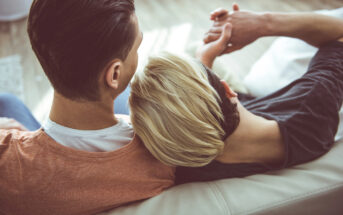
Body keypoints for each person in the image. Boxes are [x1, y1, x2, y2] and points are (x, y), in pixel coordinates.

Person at [129, 5, 343, 185]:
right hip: (288, 94)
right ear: (229, 90)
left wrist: (203, 59)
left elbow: (188, 121)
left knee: (196, 49)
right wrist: (263, 23)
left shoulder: (193, 160)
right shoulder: (312, 106)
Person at [0, 0, 175, 214]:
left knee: (5, 102)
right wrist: (205, 62)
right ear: (115, 74)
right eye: (137, 48)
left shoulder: (8, 164)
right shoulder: (160, 153)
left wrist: (14, 137)